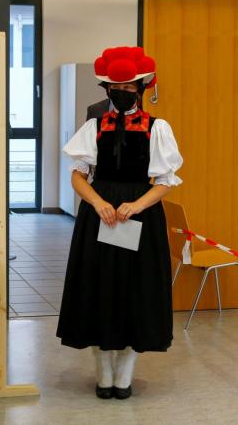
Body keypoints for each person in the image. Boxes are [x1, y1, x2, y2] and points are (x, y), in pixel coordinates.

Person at [56, 46, 183, 400]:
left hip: (140, 220)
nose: (122, 93)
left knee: (134, 291)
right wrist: (98, 203)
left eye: (128, 88)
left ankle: (123, 375)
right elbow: (78, 176)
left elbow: (166, 182)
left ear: (140, 89)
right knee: (98, 289)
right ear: (107, 89)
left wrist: (136, 205)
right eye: (116, 88)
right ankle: (103, 373)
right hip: (99, 218)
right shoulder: (93, 126)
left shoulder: (158, 128)